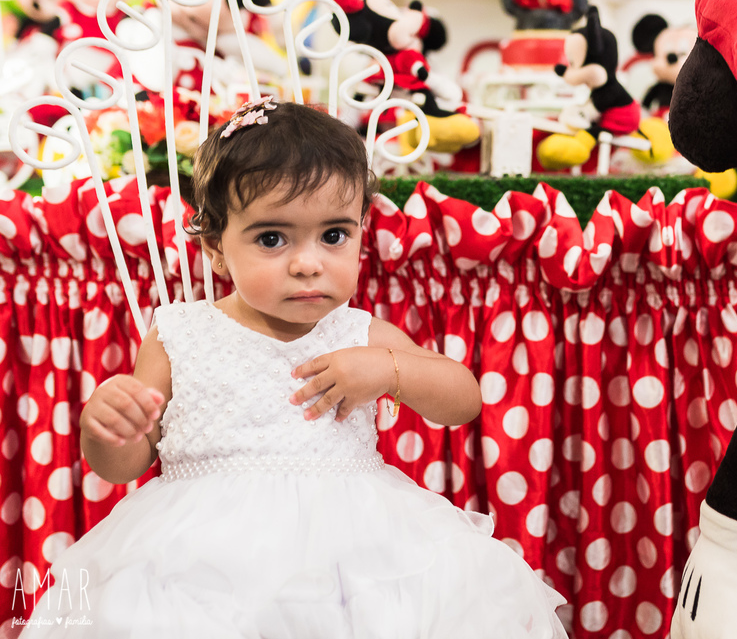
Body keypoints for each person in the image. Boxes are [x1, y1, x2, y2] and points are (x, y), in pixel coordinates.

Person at [23, 98, 568, 638]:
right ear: (215, 247)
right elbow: (123, 467)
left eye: (334, 235)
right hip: (199, 567)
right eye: (272, 238)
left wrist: (388, 369)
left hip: (352, 560)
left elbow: (463, 399)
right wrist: (109, 429)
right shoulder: (178, 334)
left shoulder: (359, 333)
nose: (308, 263)